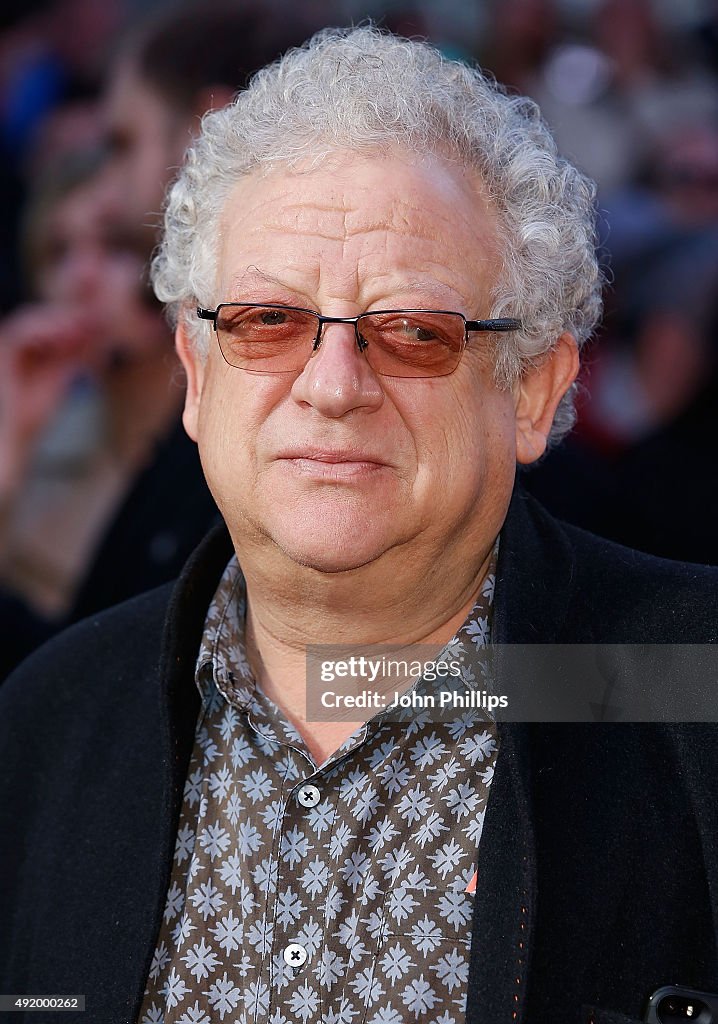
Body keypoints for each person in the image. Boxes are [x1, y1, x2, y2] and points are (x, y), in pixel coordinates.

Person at [1, 27, 717, 1024]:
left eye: (413, 332)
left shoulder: (691, 692)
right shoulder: (45, 727)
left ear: (532, 390)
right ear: (197, 379)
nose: (331, 386)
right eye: (267, 321)